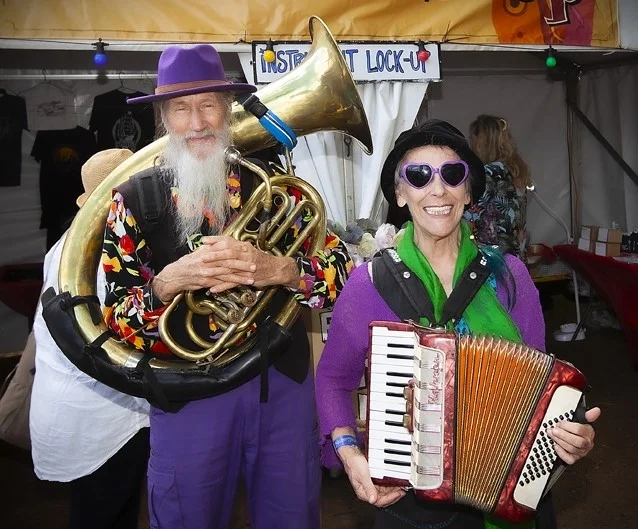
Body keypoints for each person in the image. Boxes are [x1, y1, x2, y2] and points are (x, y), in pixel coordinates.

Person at [102, 44, 353, 529]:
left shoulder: (270, 182)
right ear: (163, 119)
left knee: (292, 519)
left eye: (208, 105)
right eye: (181, 109)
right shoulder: (132, 201)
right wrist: (166, 285)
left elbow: (342, 270)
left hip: (278, 382)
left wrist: (281, 270)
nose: (196, 122)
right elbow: (115, 317)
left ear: (226, 109)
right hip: (188, 395)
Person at [315, 120, 600, 529]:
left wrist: (572, 433)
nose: (437, 190)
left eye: (452, 175)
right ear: (399, 194)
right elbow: (332, 379)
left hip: (509, 492)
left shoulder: (509, 276)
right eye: (417, 176)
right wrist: (348, 450)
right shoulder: (369, 284)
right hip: (411, 506)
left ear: (468, 192)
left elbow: (541, 388)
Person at [30, 148, 151, 529]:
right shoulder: (98, 253)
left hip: (95, 412)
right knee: (102, 513)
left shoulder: (70, 243)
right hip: (102, 417)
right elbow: (116, 337)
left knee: (114, 510)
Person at [465, 114, 533, 263]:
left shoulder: (491, 172)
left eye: (473, 139)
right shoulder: (516, 170)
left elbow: (471, 215)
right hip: (516, 258)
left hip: (495, 259)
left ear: (482, 141)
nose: (471, 145)